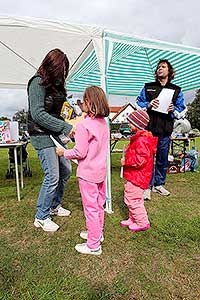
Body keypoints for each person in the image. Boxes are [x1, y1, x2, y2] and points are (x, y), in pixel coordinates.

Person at [56, 86, 110, 256]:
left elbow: (80, 152)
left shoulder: (84, 125)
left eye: (83, 100)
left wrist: (64, 152)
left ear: (90, 102)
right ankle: (97, 234)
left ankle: (93, 245)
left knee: (91, 209)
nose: (80, 104)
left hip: (87, 173)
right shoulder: (103, 123)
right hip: (100, 172)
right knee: (98, 205)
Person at [27, 48, 73, 232]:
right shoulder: (37, 82)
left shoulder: (56, 85)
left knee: (66, 169)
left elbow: (56, 112)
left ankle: (54, 205)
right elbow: (38, 114)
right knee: (52, 175)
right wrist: (65, 127)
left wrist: (66, 123)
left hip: (54, 134)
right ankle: (41, 216)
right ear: (51, 65)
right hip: (40, 134)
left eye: (64, 69)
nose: (63, 73)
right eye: (61, 68)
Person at [136, 59, 186, 200]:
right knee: (148, 159)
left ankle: (159, 184)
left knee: (162, 159)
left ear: (169, 71)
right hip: (149, 129)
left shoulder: (176, 90)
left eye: (163, 67)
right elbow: (138, 103)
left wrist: (173, 109)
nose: (160, 69)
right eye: (158, 67)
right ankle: (147, 186)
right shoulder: (148, 87)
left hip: (165, 130)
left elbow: (181, 111)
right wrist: (148, 104)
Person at [120, 110, 157, 232]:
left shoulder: (141, 140)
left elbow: (141, 160)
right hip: (136, 175)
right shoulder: (140, 138)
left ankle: (142, 222)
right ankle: (133, 218)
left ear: (138, 124)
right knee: (133, 196)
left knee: (133, 198)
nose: (129, 125)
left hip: (138, 176)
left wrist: (126, 161)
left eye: (130, 123)